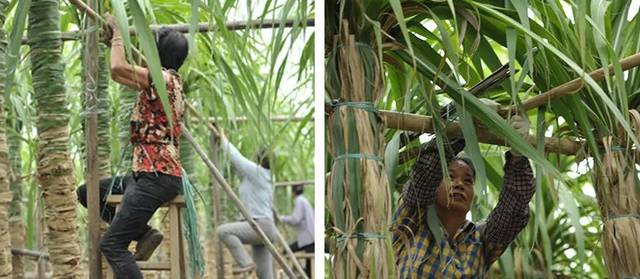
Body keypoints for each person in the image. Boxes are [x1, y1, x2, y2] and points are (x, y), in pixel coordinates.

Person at [95, 13, 188, 278]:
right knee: (89, 193)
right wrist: (114, 43)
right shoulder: (166, 82)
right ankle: (145, 234)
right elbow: (122, 72)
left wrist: (116, 35)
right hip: (145, 174)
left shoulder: (163, 80)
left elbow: (116, 69)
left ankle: (138, 234)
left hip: (156, 177)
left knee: (112, 246)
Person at [392, 111, 535, 278]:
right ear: (435, 186)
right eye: (450, 176)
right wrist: (464, 126)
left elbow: (512, 212)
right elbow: (425, 175)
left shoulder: (480, 240)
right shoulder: (412, 222)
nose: (459, 184)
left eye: (468, 180)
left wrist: (518, 156)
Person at [215, 129, 277, 279]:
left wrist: (223, 137)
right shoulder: (262, 176)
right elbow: (237, 168)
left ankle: (246, 263)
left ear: (258, 159)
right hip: (265, 227)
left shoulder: (257, 172)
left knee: (223, 231)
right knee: (265, 275)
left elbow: (236, 158)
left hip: (259, 225)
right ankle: (249, 264)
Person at [76, 176, 163, 261]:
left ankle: (142, 233)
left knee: (84, 192)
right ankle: (142, 232)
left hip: (148, 178)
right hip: (157, 179)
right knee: (85, 192)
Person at [281, 184, 315, 278]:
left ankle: (295, 273)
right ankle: (300, 272)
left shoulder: (299, 201)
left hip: (309, 238)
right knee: (309, 268)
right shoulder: (304, 200)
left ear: (293, 192)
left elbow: (296, 219)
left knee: (287, 251)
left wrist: (283, 218)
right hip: (310, 237)